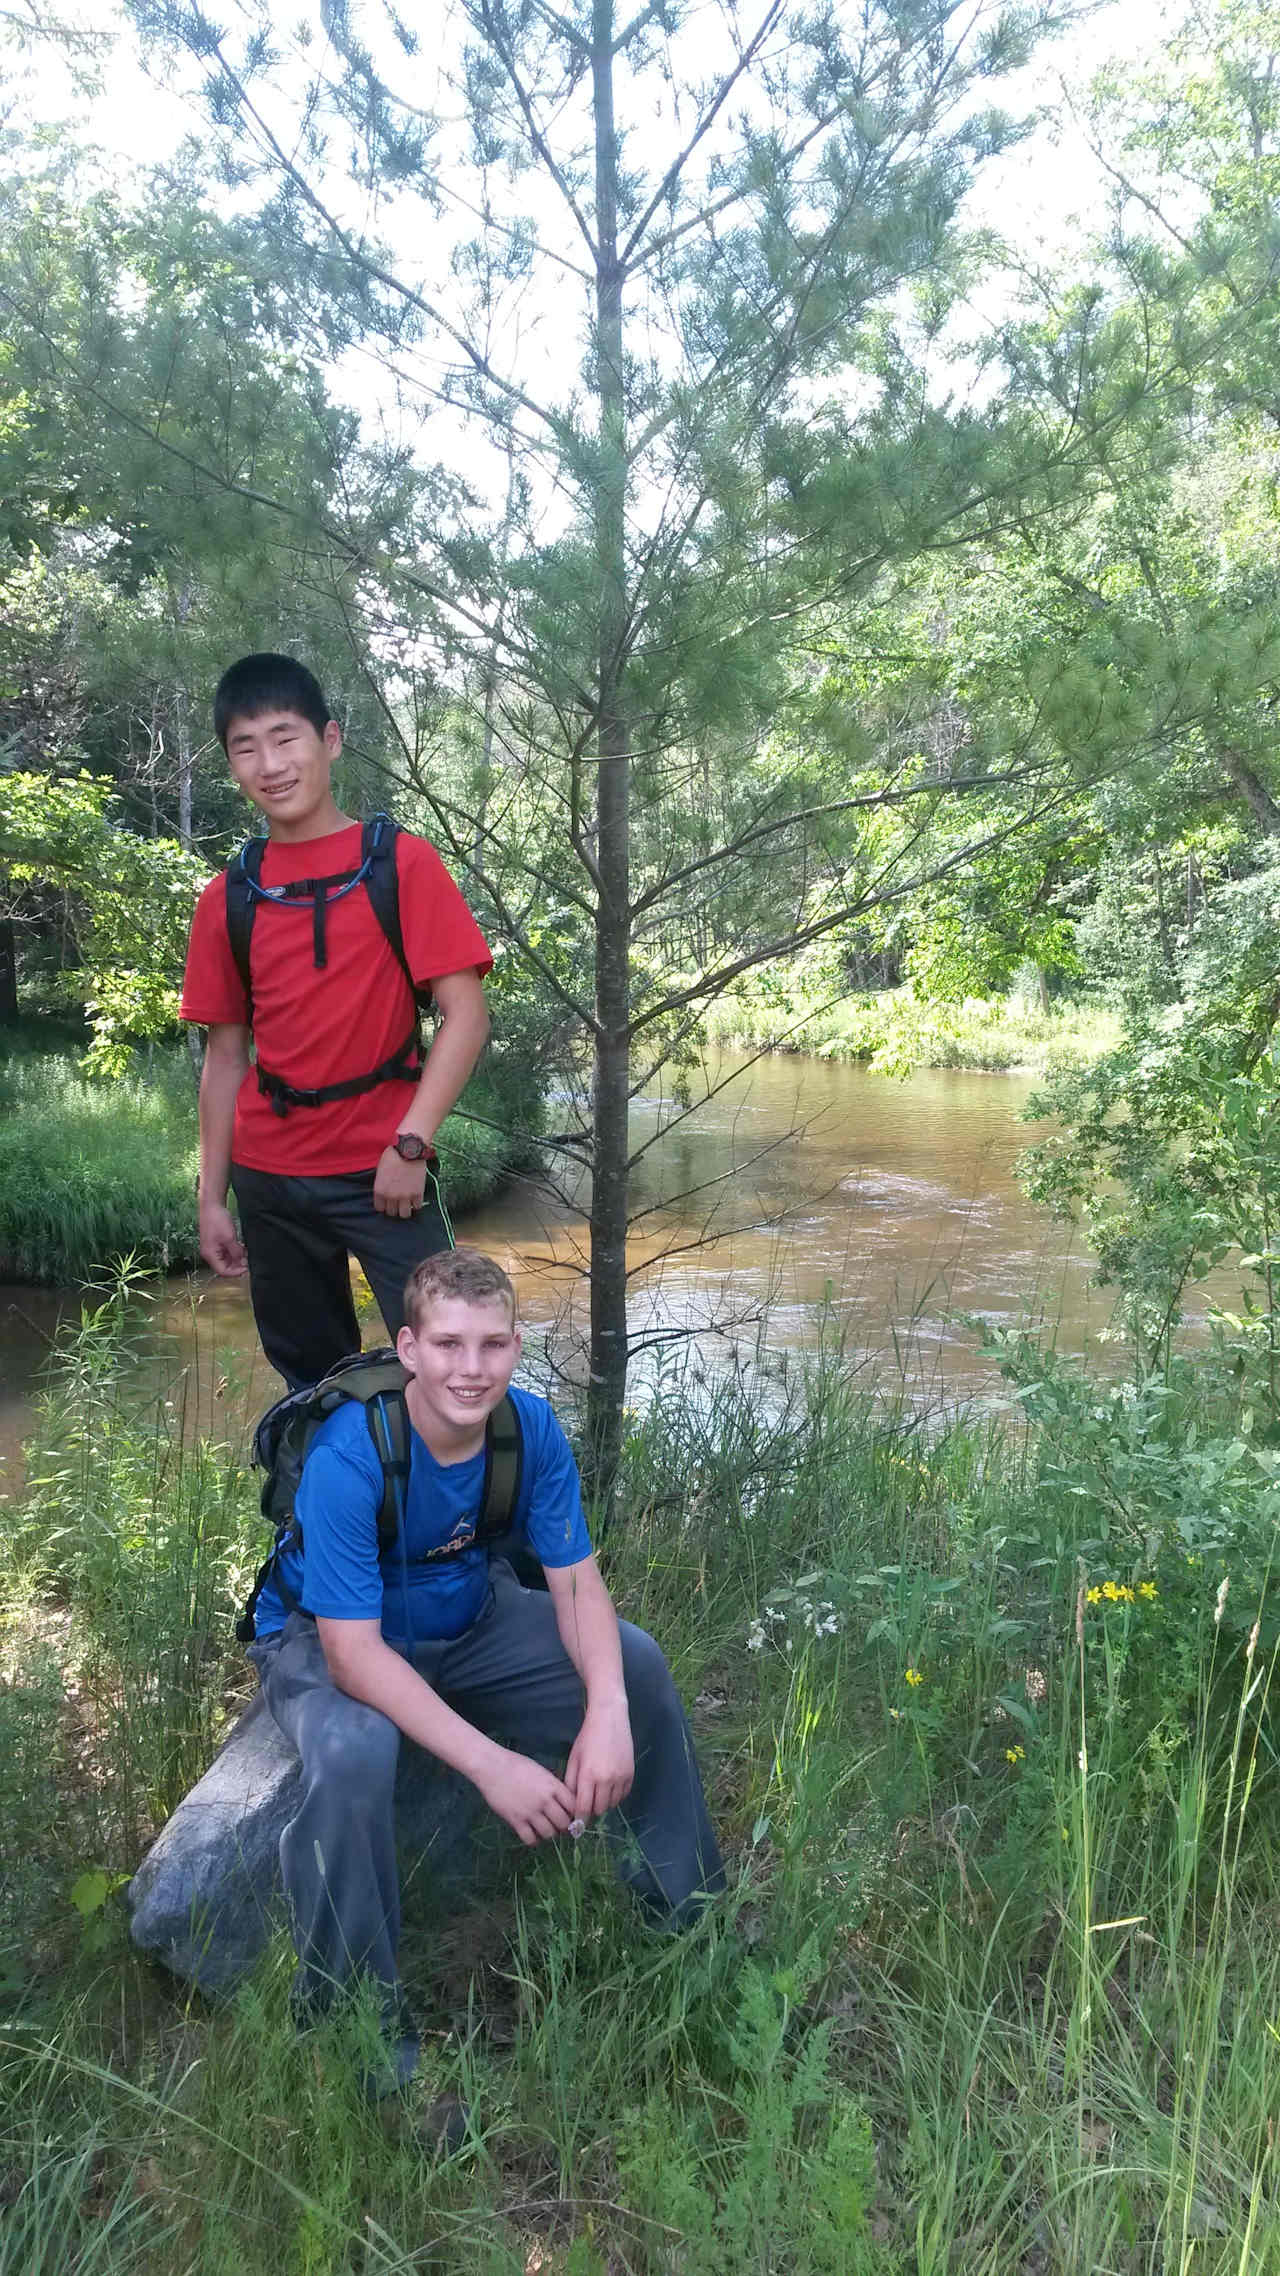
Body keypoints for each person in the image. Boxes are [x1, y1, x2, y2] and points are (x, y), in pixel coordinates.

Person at [245, 1246, 724, 2078]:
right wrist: (491, 1765)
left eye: (493, 1345)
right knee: (357, 1749)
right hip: (326, 1640)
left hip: (471, 1620)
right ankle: (357, 2029)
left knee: (636, 1663)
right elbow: (353, 1658)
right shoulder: (351, 1459)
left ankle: (688, 1920)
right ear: (408, 1349)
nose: (472, 1370)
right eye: (449, 1345)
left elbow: (576, 1586)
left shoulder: (528, 1429)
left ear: (515, 1344)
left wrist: (607, 1709)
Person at [180, 653, 492, 1388]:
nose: (270, 763)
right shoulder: (227, 897)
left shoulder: (401, 865)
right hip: (271, 1182)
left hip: (387, 1171)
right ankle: (324, 1507)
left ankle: (461, 1507)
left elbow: (466, 1015)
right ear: (230, 762)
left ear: (331, 739)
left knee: (454, 1363)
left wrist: (410, 1146)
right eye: (245, 746)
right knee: (314, 1387)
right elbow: (226, 1061)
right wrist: (211, 1200)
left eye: (286, 738)